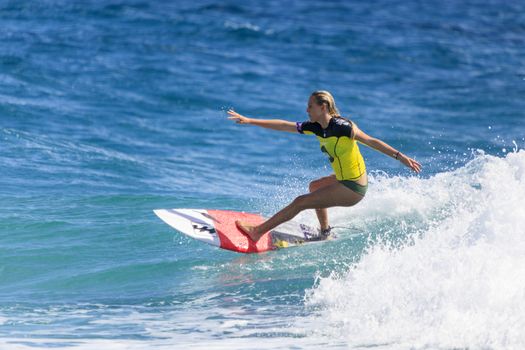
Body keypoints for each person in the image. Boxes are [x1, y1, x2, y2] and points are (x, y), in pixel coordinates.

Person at [227, 90, 421, 242]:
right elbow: (284, 125)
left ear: (323, 107)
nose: (307, 110)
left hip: (353, 186)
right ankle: (325, 231)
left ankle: (257, 232)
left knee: (300, 202)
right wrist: (250, 120)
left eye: (310, 106)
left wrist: (400, 157)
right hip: (343, 179)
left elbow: (371, 141)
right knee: (314, 187)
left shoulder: (344, 127)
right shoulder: (316, 127)